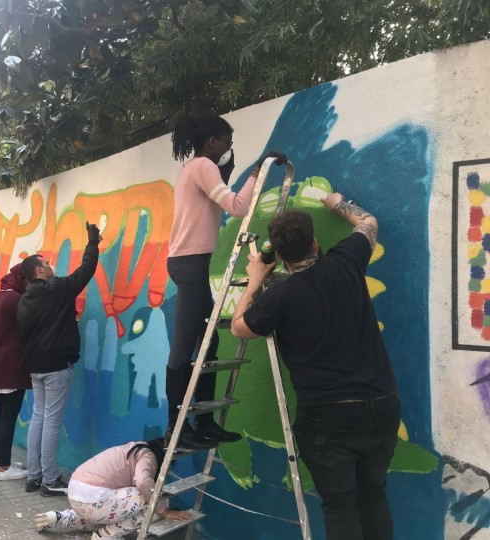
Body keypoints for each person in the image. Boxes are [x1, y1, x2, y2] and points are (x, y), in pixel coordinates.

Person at [230, 194, 401, 540]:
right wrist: (337, 202)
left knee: (340, 506)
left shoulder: (279, 298)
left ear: (277, 256)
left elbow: (238, 326)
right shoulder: (347, 260)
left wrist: (254, 279)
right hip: (381, 407)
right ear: (314, 242)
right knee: (374, 495)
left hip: (327, 421)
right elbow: (368, 222)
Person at [165, 114, 285, 450]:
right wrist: (258, 169)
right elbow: (236, 206)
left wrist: (230, 169)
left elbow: (218, 192)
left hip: (190, 262)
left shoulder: (197, 169)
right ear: (212, 141)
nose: (228, 146)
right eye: (226, 141)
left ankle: (203, 421)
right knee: (183, 347)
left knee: (209, 344)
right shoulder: (201, 166)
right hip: (189, 263)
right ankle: (176, 427)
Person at [17, 222, 101, 496]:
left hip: (36, 366)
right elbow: (85, 272)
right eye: (47, 263)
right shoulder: (56, 289)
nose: (52, 266)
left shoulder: (25, 299)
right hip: (56, 367)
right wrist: (92, 243)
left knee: (39, 417)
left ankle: (34, 476)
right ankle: (50, 481)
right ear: (39, 270)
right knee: (51, 421)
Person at [34, 439, 192, 539]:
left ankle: (57, 518)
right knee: (151, 500)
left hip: (77, 495)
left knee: (105, 514)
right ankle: (106, 535)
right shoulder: (148, 455)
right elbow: (144, 482)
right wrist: (164, 511)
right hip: (93, 498)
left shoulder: (132, 448)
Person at [0, 263, 30, 481]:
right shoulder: (15, 299)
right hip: (12, 363)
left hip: (0, 363)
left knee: (1, 412)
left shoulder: (1, 296)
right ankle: (5, 467)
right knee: (8, 416)